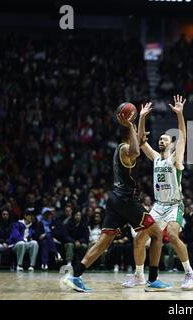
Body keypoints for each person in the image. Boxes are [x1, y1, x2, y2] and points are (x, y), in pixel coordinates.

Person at [62, 103, 170, 292]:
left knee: (104, 240)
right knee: (157, 234)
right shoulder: (124, 149)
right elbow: (137, 150)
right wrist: (131, 125)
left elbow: (142, 140)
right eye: (134, 127)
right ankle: (153, 280)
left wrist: (142, 117)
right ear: (129, 130)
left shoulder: (127, 144)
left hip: (116, 200)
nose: (138, 130)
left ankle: (75, 275)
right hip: (127, 200)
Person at [139, 95, 193, 289]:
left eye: (165, 139)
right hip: (158, 205)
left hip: (174, 205)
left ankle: (190, 274)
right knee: (139, 237)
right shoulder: (156, 158)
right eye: (160, 139)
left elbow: (183, 134)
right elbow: (140, 142)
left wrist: (180, 115)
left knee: (172, 235)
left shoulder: (176, 158)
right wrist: (141, 118)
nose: (161, 141)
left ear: (172, 144)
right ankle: (139, 275)